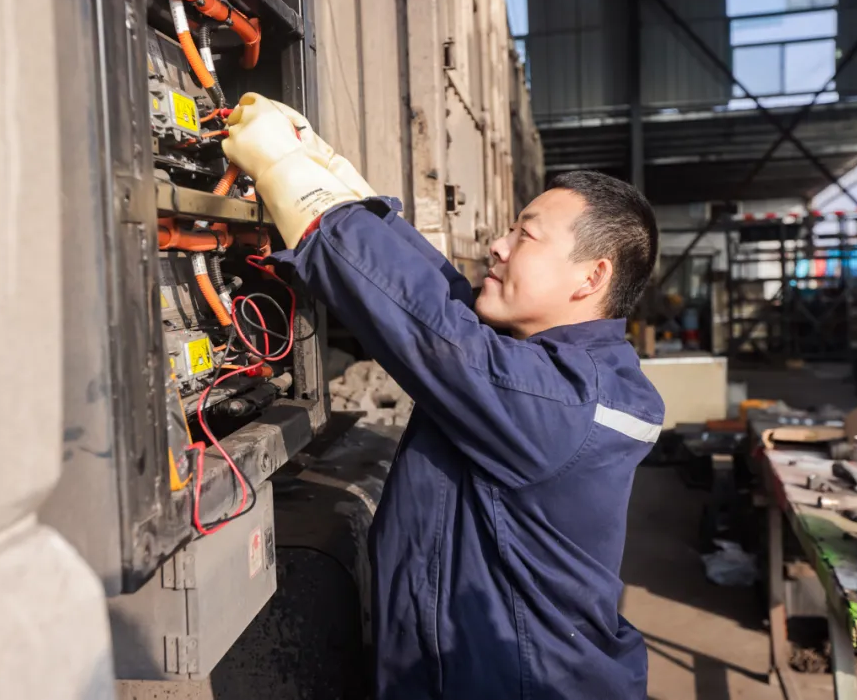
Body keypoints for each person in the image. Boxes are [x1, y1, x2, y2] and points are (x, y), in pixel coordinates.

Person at [222, 93, 665, 700]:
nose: (500, 246)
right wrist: (347, 194)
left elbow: (436, 332)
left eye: (525, 236)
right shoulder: (568, 368)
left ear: (592, 277)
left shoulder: (560, 402)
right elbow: (449, 302)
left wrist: (301, 194)